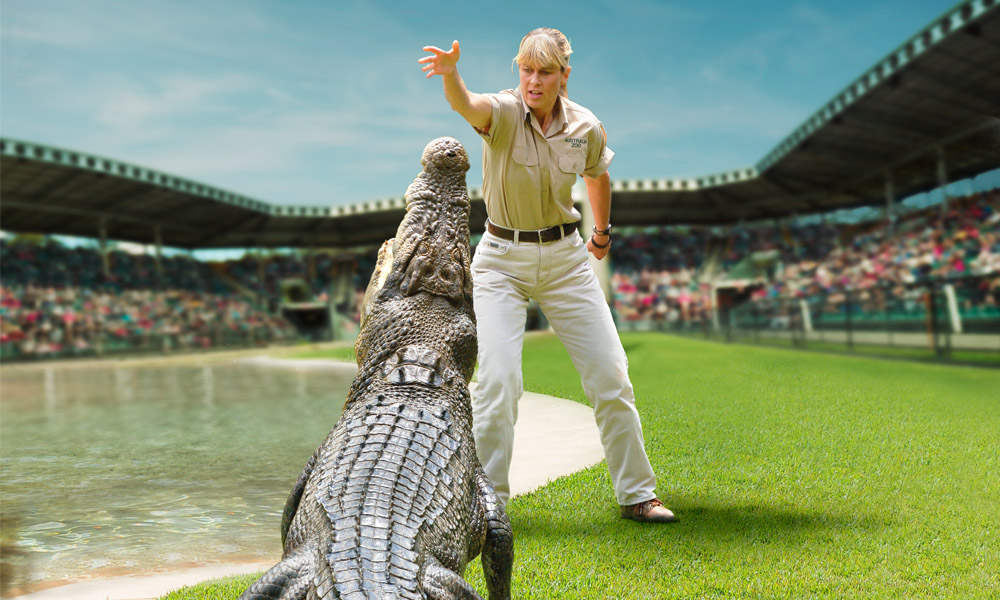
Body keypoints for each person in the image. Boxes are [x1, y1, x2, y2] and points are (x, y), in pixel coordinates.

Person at [419, 28, 675, 523]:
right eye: (526, 70)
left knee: (610, 376)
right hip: (500, 260)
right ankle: (487, 507)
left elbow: (596, 175)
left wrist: (602, 232)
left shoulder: (586, 126)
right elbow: (467, 105)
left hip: (566, 261)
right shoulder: (504, 111)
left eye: (545, 72)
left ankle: (638, 495)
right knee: (497, 381)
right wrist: (452, 76)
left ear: (564, 76)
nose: (534, 81)